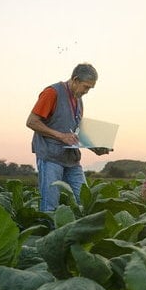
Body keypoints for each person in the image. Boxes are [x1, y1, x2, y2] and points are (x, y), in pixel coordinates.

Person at [26, 63, 109, 211]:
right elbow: (32, 121)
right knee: (50, 206)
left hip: (71, 158)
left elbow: (74, 132)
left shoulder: (78, 99)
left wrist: (94, 146)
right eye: (86, 87)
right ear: (75, 80)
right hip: (50, 157)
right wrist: (61, 136)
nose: (87, 91)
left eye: (90, 88)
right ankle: (46, 233)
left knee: (85, 201)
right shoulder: (52, 92)